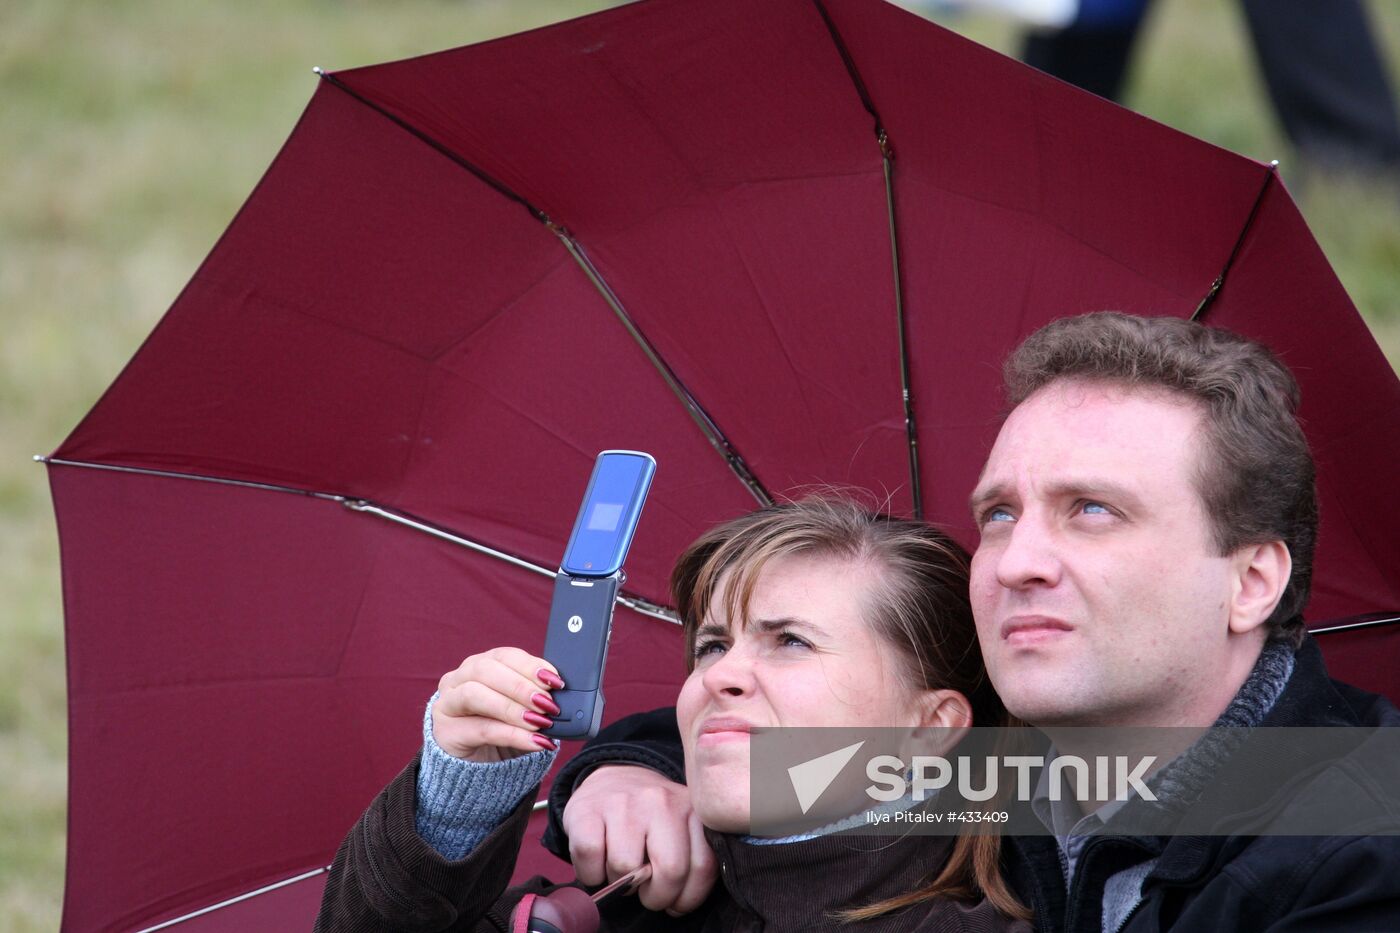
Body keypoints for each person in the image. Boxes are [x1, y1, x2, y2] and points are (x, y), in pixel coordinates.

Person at [547, 312, 1400, 932]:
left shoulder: (1356, 854)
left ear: (1250, 580)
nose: (1017, 559)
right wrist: (625, 771)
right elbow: (805, 724)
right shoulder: (1011, 763)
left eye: (1093, 510)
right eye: (998, 513)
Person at [316, 497, 1034, 931]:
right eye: (712, 643)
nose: (720, 674)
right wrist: (459, 801)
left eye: (789, 641)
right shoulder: (606, 914)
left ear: (929, 727)